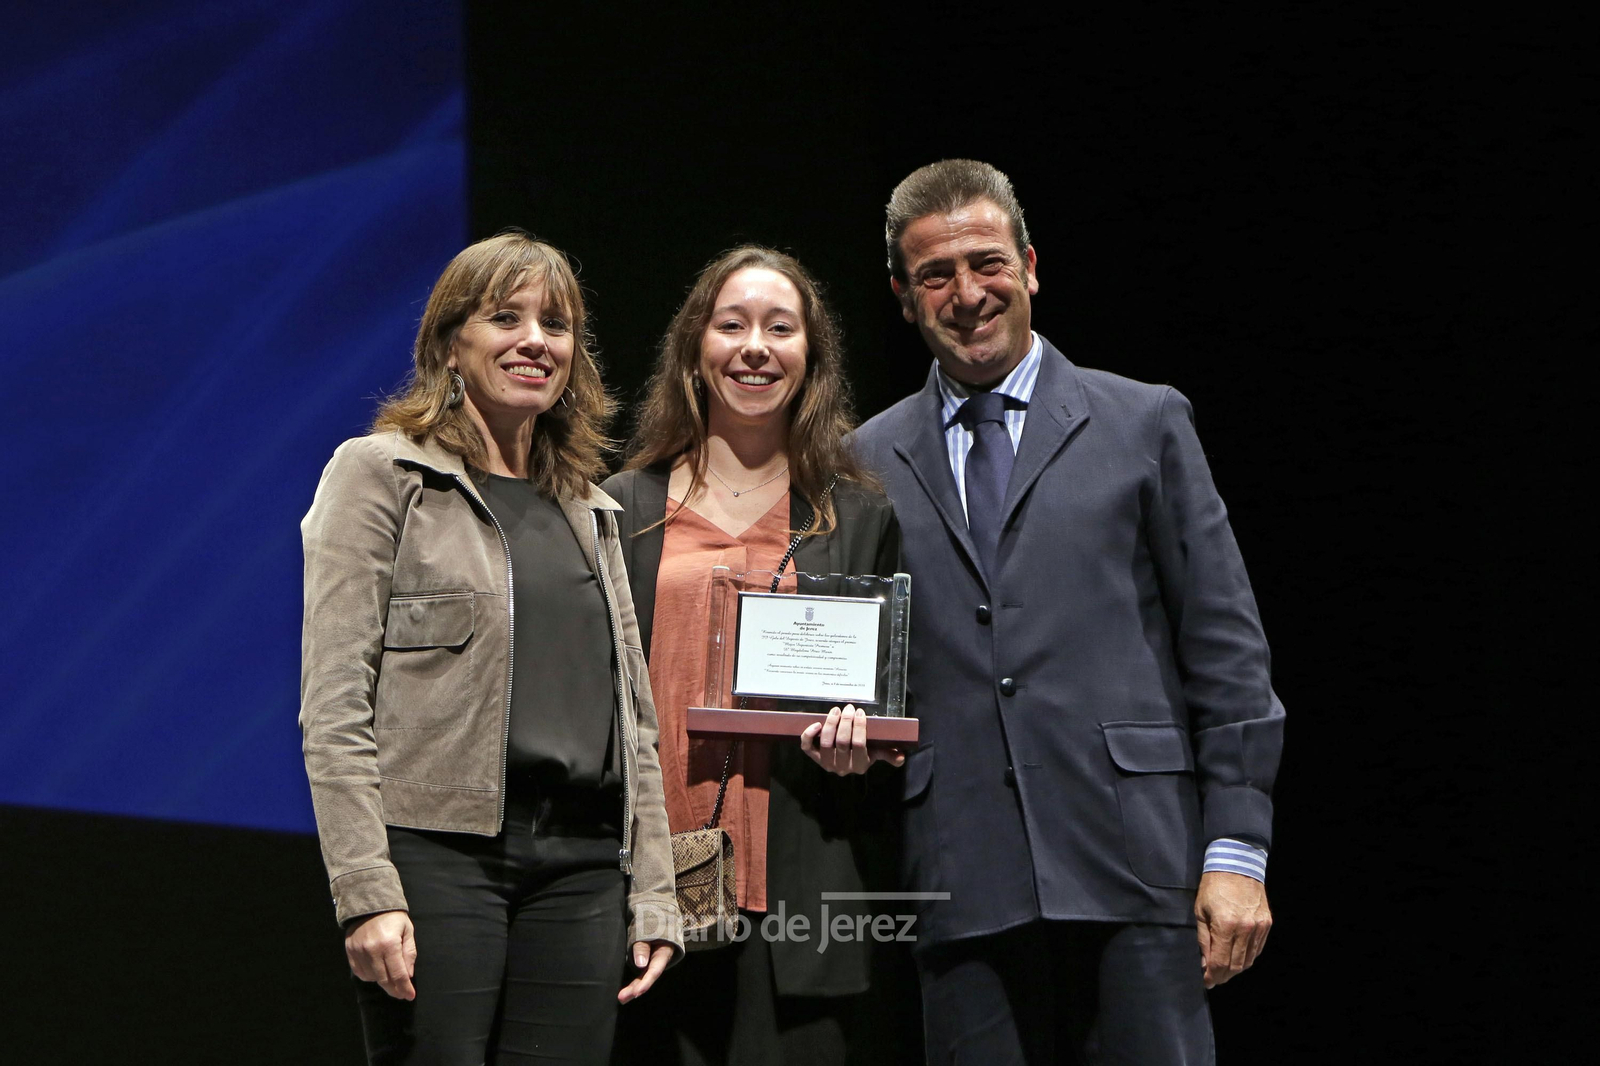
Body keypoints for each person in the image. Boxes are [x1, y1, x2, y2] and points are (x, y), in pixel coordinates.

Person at [852, 159, 1286, 1063]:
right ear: (902, 296)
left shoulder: (1144, 422)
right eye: (936, 275)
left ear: (1030, 265)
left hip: (1140, 864)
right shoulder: (864, 462)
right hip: (959, 878)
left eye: (987, 263)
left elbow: (1227, 651)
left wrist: (1237, 852)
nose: (967, 294)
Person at [299, 231, 681, 1066]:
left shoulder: (590, 508)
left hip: (583, 868)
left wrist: (654, 889)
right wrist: (364, 891)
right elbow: (334, 707)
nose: (535, 340)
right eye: (506, 318)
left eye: (556, 324)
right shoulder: (380, 475)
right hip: (437, 856)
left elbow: (636, 725)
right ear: (449, 344)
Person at [602, 246, 915, 1065]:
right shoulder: (620, 509)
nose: (755, 348)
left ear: (811, 359)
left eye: (780, 329)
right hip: (644, 897)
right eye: (731, 325)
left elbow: (891, 710)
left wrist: (861, 751)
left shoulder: (857, 518)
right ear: (693, 351)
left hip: (798, 901)